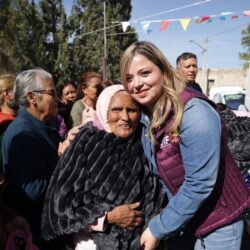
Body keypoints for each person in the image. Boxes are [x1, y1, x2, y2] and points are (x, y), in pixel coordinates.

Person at [120, 41, 250, 250]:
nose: (136, 83)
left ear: (162, 70)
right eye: (129, 78)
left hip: (218, 224)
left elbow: (199, 183)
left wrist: (157, 228)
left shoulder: (193, 112)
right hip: (185, 222)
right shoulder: (149, 117)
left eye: (144, 73)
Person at [41, 85, 167, 250]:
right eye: (116, 109)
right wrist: (107, 217)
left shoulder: (144, 142)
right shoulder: (86, 143)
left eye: (131, 110)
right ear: (104, 110)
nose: (125, 117)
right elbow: (59, 209)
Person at [2, 68, 72, 249]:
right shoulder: (24, 134)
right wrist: (62, 160)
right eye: (52, 92)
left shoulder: (42, 126)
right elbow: (32, 191)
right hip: (40, 236)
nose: (57, 98)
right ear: (32, 98)